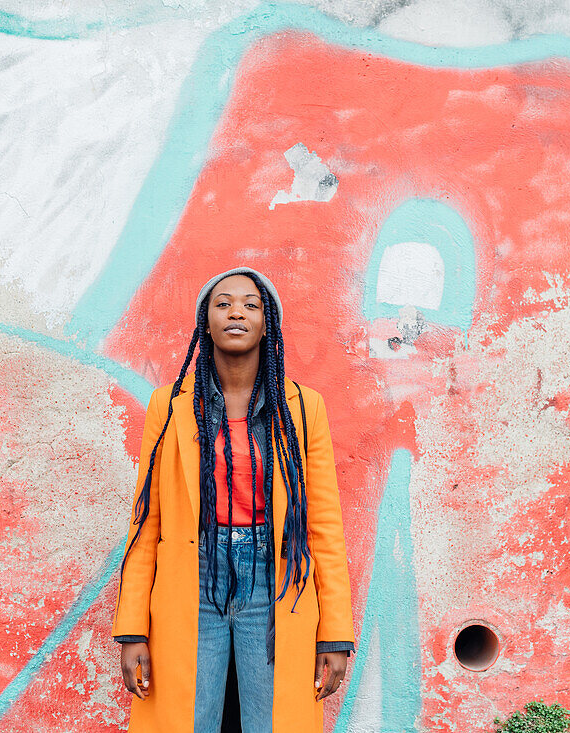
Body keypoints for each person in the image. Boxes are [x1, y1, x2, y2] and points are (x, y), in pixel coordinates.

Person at [113, 267, 355, 732]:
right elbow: (147, 522)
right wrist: (132, 628)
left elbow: (324, 528)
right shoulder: (171, 406)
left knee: (273, 721)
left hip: (276, 579)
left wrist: (335, 635)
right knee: (188, 719)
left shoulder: (304, 409)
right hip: (193, 575)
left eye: (251, 304)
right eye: (222, 304)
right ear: (206, 323)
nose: (236, 312)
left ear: (269, 324)